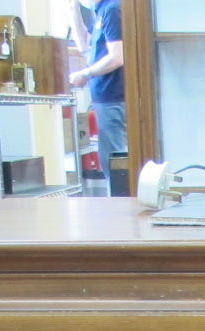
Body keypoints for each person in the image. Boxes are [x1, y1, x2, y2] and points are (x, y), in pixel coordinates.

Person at [70, 0, 127, 195]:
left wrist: (86, 73)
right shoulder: (101, 11)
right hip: (106, 98)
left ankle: (122, 214)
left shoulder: (112, 9)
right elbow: (83, 45)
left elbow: (117, 56)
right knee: (111, 162)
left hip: (114, 97)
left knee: (117, 165)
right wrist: (73, 9)